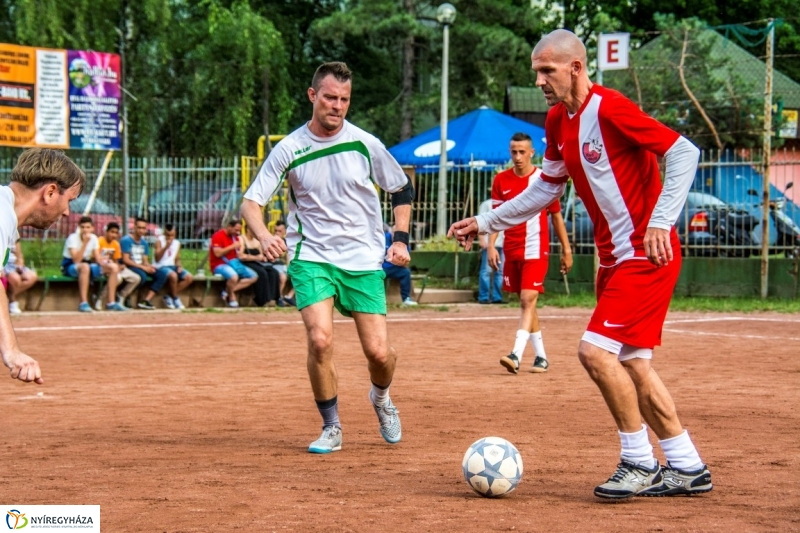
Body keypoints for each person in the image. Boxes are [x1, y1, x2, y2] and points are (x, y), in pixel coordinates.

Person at [448, 30, 712, 499]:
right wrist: (486, 220)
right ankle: (688, 465)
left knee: (594, 352)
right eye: (536, 71)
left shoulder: (610, 108)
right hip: (615, 260)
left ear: (575, 68)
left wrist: (660, 222)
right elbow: (547, 189)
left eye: (547, 70)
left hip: (646, 253)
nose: (540, 79)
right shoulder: (555, 120)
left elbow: (684, 151)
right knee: (631, 360)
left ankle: (638, 462)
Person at [241, 61, 414, 454]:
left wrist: (400, 240)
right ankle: (331, 426)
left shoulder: (365, 143)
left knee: (379, 353)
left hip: (362, 258)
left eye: (344, 100)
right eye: (330, 97)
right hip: (311, 255)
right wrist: (265, 235)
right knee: (320, 340)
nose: (337, 106)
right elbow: (251, 202)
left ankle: (382, 399)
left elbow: (401, 190)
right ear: (313, 96)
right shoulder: (289, 148)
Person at [1, 147, 86, 383]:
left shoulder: (6, 216)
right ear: (50, 192)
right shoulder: (2, 214)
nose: (68, 212)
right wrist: (11, 350)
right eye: (69, 200)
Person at [491, 132, 573, 374]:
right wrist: (491, 246)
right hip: (511, 250)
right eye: (513, 152)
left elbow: (556, 217)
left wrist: (566, 250)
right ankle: (541, 357)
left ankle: (515, 354)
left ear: (532, 153)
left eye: (522, 152)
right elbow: (496, 217)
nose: (517, 157)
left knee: (527, 300)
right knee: (528, 304)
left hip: (537, 250)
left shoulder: (543, 179)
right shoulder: (501, 180)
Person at [61, 216, 127, 312]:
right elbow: (76, 260)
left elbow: (97, 258)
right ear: (79, 228)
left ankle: (111, 303)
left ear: (92, 228)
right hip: (70, 266)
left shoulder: (94, 238)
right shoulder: (73, 238)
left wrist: (104, 261)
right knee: (85, 267)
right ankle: (83, 303)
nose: (85, 230)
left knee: (113, 267)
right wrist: (85, 243)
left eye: (88, 227)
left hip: (88, 264)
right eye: (82, 227)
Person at [209, 220, 258, 308]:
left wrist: (241, 252)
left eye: (239, 230)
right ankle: (232, 298)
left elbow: (237, 252)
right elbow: (217, 253)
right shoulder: (218, 236)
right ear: (229, 227)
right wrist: (232, 246)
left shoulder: (235, 237)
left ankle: (227, 292)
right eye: (236, 230)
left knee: (253, 276)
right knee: (234, 276)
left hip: (234, 263)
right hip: (219, 264)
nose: (238, 232)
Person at [120, 217, 166, 310]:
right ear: (134, 227)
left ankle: (146, 300)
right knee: (142, 276)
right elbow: (126, 260)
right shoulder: (126, 240)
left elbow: (145, 260)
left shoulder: (144, 243)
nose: (141, 230)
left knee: (161, 275)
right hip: (130, 266)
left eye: (143, 228)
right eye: (139, 227)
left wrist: (149, 266)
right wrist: (142, 267)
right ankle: (128, 296)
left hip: (140, 266)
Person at [97, 222, 142, 309]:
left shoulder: (116, 244)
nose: (114, 235)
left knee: (136, 278)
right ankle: (100, 298)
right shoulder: (100, 241)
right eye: (112, 232)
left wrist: (120, 266)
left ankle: (121, 296)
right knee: (117, 279)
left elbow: (116, 260)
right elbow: (95, 258)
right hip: (103, 268)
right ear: (106, 232)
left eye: (116, 233)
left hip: (114, 267)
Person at [152, 223, 193, 309]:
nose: (170, 238)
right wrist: (166, 246)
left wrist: (179, 266)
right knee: (173, 275)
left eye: (172, 235)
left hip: (171, 265)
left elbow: (177, 258)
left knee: (189, 277)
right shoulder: (159, 242)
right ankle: (175, 298)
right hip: (160, 266)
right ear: (164, 234)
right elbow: (157, 259)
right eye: (168, 235)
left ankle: (169, 296)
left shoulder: (177, 243)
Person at [240, 225, 281, 307]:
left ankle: (273, 298)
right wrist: (255, 257)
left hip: (257, 262)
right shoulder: (241, 239)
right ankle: (262, 300)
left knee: (273, 272)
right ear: (247, 229)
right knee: (262, 273)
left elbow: (261, 254)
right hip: (246, 263)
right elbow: (241, 256)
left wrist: (263, 257)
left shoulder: (256, 241)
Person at [477, 195, 504, 304]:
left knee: (500, 272)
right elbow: (480, 222)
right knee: (486, 271)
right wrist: (482, 239)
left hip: (502, 242)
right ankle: (483, 297)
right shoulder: (487, 204)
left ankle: (497, 297)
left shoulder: (507, 203)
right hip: (489, 243)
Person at [383, 225, 417, 306]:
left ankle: (406, 299)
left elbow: (406, 259)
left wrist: (402, 261)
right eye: (394, 234)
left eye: (397, 235)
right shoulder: (383, 238)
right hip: (380, 267)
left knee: (406, 272)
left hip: (394, 267)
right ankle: (378, 300)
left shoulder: (402, 241)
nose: (395, 237)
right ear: (391, 232)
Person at [4, 241, 37, 315]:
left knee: (32, 276)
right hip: (4, 264)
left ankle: (7, 299)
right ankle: (10, 301)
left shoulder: (15, 236)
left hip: (14, 264)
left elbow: (19, 256)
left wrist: (20, 265)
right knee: (16, 279)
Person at [270, 220, 295, 307]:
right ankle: (279, 297)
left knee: (301, 275)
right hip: (273, 266)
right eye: (275, 231)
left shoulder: (287, 241)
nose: (277, 233)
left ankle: (289, 296)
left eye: (279, 231)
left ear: (284, 231)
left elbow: (288, 256)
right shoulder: (270, 241)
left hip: (283, 265)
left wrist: (289, 267)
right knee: (283, 277)